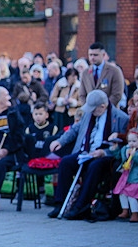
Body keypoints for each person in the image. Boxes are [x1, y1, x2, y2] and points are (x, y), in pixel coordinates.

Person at [48, 90, 129, 219]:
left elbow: (124, 142)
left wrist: (104, 152)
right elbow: (75, 129)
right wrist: (60, 141)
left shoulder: (121, 118)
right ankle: (61, 203)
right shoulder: (88, 115)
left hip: (106, 155)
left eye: (94, 109)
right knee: (66, 162)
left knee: (94, 166)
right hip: (86, 151)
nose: (91, 111)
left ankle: (81, 205)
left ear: (103, 106)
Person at [109, 86, 138, 222]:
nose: (137, 105)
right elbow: (131, 134)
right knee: (118, 165)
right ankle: (120, 208)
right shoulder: (136, 115)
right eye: (135, 102)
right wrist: (118, 136)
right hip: (134, 150)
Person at [110, 128, 138, 222]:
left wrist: (135, 155)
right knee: (122, 193)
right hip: (125, 176)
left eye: (134, 141)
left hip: (135, 177)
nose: (131, 143)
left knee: (131, 195)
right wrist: (115, 149)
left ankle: (135, 213)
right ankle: (125, 210)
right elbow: (119, 157)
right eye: (129, 141)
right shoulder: (127, 148)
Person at [79, 42, 124, 108]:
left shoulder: (114, 71)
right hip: (90, 112)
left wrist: (103, 108)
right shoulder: (85, 73)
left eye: (95, 55)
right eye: (90, 55)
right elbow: (82, 95)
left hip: (110, 111)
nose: (92, 58)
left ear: (103, 55)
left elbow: (117, 94)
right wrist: (88, 108)